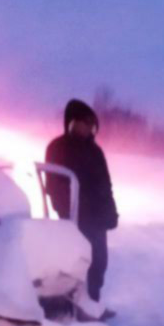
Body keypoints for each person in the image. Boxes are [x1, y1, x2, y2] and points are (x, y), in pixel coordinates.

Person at [45, 99, 119, 308]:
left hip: (96, 218)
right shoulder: (58, 148)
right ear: (72, 122)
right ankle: (70, 305)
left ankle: (92, 303)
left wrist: (111, 212)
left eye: (91, 124)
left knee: (99, 262)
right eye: (85, 123)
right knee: (75, 264)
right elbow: (54, 185)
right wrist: (68, 211)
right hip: (73, 217)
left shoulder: (96, 152)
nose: (89, 128)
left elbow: (105, 184)